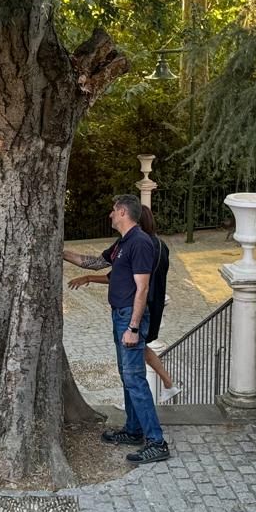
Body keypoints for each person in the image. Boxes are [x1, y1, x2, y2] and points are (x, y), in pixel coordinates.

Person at [61, 194, 170, 464]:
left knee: (135, 379)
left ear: (122, 212)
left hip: (129, 318)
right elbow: (94, 262)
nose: (110, 214)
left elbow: (142, 288)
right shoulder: (123, 243)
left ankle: (157, 442)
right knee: (127, 376)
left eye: (113, 210)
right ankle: (133, 430)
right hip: (119, 315)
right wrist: (61, 252)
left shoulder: (140, 242)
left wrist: (133, 327)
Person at [67, 204, 178, 402]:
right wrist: (86, 276)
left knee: (132, 367)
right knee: (139, 351)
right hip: (147, 305)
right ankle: (166, 385)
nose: (112, 215)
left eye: (116, 212)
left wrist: (135, 320)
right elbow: (110, 271)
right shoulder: (142, 244)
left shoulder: (142, 246)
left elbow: (138, 282)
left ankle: (145, 407)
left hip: (137, 308)